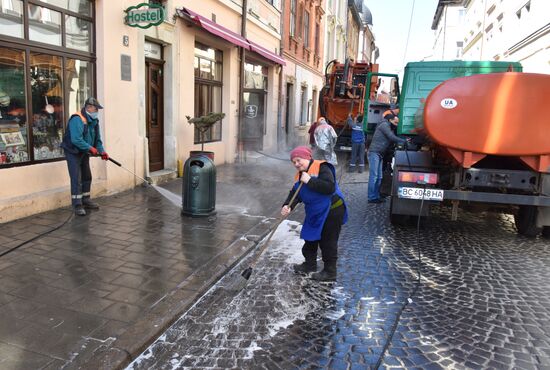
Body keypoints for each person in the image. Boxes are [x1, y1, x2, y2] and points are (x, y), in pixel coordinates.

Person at [281, 146, 348, 281]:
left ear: (307, 157)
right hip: (315, 211)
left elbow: (329, 187)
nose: (296, 164)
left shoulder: (322, 168)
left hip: (332, 210)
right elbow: (295, 193)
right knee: (310, 238)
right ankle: (309, 265)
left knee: (327, 241)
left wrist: (310, 181)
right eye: (294, 162)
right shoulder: (300, 175)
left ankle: (330, 272)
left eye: (299, 160)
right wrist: (288, 205)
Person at [60, 97, 109, 216]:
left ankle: (86, 199)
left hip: (84, 152)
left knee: (87, 175)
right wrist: (90, 148)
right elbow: (76, 140)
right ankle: (77, 204)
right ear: (89, 108)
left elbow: (97, 139)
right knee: (76, 177)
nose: (97, 111)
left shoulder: (94, 121)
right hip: (72, 151)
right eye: (96, 109)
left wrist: (101, 151)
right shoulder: (77, 119)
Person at [367, 113, 407, 203]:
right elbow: (391, 137)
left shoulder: (388, 126)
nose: (396, 124)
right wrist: (403, 141)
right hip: (374, 152)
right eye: (395, 122)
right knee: (374, 176)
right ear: (390, 120)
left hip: (380, 153)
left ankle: (376, 196)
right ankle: (371, 197)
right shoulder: (384, 125)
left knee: (379, 176)